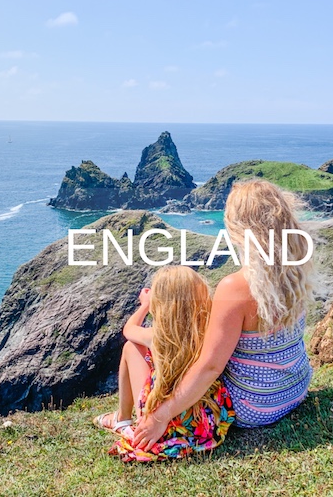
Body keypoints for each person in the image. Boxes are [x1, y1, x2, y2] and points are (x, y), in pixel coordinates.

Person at [132, 179, 314, 451]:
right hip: (294, 391)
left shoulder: (235, 287)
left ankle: (134, 420)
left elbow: (210, 367)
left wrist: (161, 416)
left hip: (253, 408)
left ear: (239, 230)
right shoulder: (296, 270)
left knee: (143, 350)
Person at [93, 265, 235, 462]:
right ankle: (122, 418)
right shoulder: (210, 332)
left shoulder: (157, 336)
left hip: (162, 424)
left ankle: (122, 418)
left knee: (130, 348)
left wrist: (144, 305)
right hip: (204, 423)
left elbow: (129, 330)